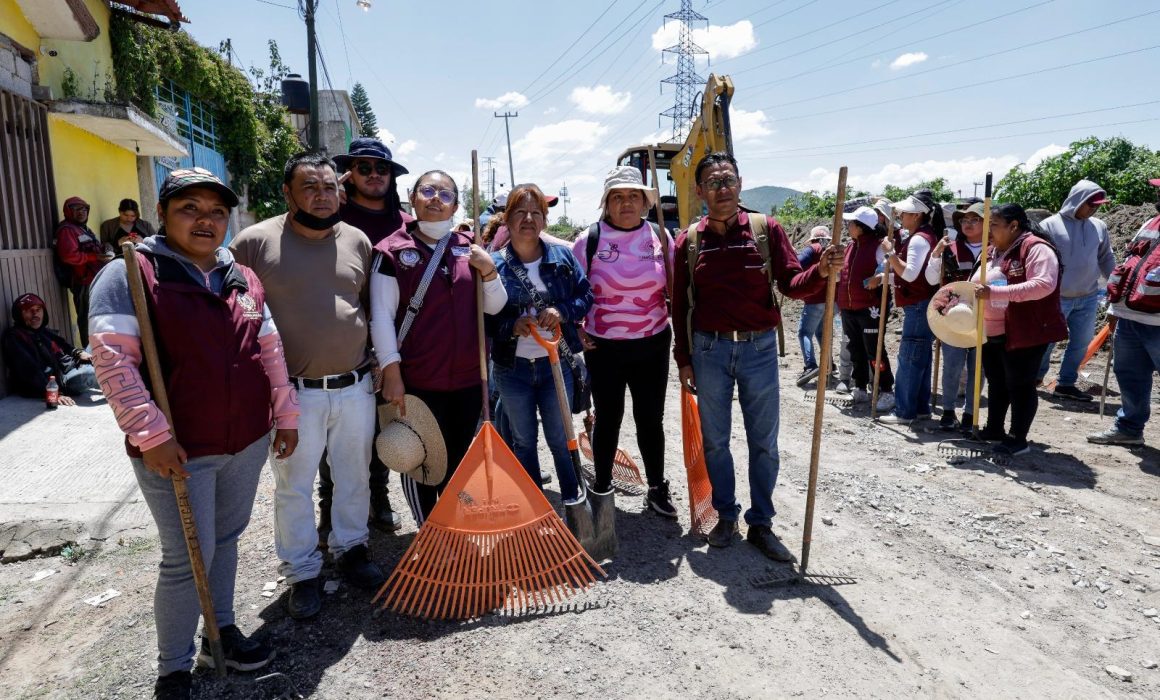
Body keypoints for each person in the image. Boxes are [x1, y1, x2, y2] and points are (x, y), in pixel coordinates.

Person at [86, 168, 299, 699]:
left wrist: (285, 413)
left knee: (224, 541)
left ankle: (219, 630)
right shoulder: (130, 273)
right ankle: (172, 668)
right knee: (186, 558)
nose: (206, 221)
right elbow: (114, 363)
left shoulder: (241, 276)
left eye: (217, 212)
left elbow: (268, 350)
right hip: (179, 447)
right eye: (190, 209)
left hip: (245, 439)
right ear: (163, 213)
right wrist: (149, 432)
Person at [230, 153, 383, 620]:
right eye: (310, 187)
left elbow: (363, 305)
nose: (322, 196)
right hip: (292, 395)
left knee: (354, 474)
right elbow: (234, 313)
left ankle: (352, 547)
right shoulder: (254, 243)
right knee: (293, 486)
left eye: (329, 187)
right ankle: (301, 571)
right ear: (288, 193)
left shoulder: (358, 241)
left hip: (355, 385)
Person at [672, 152, 840, 560]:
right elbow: (679, 305)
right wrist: (684, 359)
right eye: (712, 182)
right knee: (715, 441)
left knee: (764, 442)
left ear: (740, 183)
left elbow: (791, 283)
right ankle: (726, 515)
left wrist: (819, 272)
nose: (722, 188)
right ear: (699, 191)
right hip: (709, 350)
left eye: (728, 180)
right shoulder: (688, 242)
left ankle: (761, 522)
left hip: (760, 350)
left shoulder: (767, 229)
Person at [371, 170, 507, 524]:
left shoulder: (470, 247)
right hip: (417, 378)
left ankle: (452, 525)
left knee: (457, 457)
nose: (435, 199)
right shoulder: (392, 252)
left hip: (466, 379)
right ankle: (428, 530)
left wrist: (489, 271)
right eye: (427, 191)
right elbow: (382, 318)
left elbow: (494, 307)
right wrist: (391, 371)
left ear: (456, 205)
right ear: (412, 198)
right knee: (419, 457)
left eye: (445, 194)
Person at [318, 137, 412, 537]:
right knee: (334, 433)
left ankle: (379, 496)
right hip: (343, 341)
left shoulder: (406, 223)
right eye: (363, 167)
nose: (374, 175)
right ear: (349, 173)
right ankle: (328, 508)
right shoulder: (329, 219)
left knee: (384, 425)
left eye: (382, 168)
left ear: (391, 177)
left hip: (395, 339)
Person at [573, 166, 674, 516]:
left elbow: (675, 287)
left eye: (633, 195)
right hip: (604, 348)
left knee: (650, 418)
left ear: (645, 201)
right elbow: (571, 290)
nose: (626, 202)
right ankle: (602, 485)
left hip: (653, 343)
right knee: (608, 417)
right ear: (607, 203)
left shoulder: (660, 236)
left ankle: (657, 487)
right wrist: (577, 329)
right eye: (618, 196)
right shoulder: (590, 240)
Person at [487, 183, 592, 505]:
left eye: (536, 212)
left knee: (562, 440)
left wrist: (561, 311)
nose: (528, 219)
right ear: (506, 219)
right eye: (520, 212)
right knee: (523, 441)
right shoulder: (493, 265)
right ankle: (534, 506)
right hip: (511, 369)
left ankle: (573, 503)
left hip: (554, 366)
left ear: (545, 220)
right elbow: (483, 318)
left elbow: (585, 296)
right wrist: (510, 325)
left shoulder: (562, 257)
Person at [971, 203, 1066, 456]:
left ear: (1014, 226)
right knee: (998, 381)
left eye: (994, 225)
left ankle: (1018, 438)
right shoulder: (992, 251)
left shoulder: (1036, 249)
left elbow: (1043, 284)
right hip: (992, 331)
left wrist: (995, 292)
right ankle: (994, 429)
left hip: (1025, 330)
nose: (988, 230)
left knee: (1020, 384)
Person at [1088, 177, 1160, 447]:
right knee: (1130, 376)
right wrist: (1114, 308)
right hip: (1130, 317)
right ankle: (1129, 428)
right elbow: (1130, 263)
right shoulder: (1150, 224)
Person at [1036, 179, 1117, 401]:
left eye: (1099, 205)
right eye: (1091, 204)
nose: (1095, 208)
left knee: (1081, 342)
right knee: (1046, 341)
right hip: (1055, 297)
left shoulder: (1098, 226)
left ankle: (1066, 383)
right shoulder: (1049, 226)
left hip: (1088, 296)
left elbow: (1105, 257)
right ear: (1077, 200)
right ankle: (1035, 377)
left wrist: (1116, 284)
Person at [879, 193, 944, 425]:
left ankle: (905, 411)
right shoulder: (925, 236)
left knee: (909, 357)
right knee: (921, 356)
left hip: (918, 304)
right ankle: (920, 407)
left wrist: (890, 253)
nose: (900, 216)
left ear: (916, 215)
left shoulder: (918, 239)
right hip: (923, 303)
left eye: (904, 213)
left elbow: (909, 273)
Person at [927, 202, 986, 430]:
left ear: (985, 222)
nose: (967, 225)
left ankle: (970, 413)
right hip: (953, 317)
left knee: (977, 366)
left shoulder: (995, 250)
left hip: (983, 317)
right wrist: (935, 255)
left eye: (974, 220)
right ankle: (949, 411)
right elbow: (933, 280)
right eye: (964, 220)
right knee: (951, 364)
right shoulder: (949, 248)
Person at [837, 206, 895, 410]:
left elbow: (894, 272)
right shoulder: (851, 246)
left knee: (874, 350)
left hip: (870, 308)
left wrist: (879, 278)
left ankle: (886, 389)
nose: (848, 225)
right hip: (848, 307)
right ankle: (860, 387)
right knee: (855, 348)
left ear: (861, 227)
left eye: (851, 223)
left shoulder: (879, 248)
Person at [2, 292, 98, 403]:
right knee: (93, 372)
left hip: (72, 366)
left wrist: (78, 353)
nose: (35, 314)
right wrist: (53, 393)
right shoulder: (15, 337)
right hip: (61, 382)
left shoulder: (43, 331)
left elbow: (65, 345)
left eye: (38, 309)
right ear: (19, 315)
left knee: (100, 341)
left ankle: (111, 371)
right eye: (28, 310)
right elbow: (30, 371)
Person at [53, 196, 106, 341]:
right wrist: (95, 257)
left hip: (94, 279)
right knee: (88, 320)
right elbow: (69, 256)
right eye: (76, 209)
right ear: (68, 212)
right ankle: (90, 355)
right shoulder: (67, 230)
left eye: (84, 209)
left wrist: (104, 250)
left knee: (98, 318)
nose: (81, 212)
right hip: (83, 282)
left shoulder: (83, 229)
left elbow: (93, 248)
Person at [794, 225, 831, 387]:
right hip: (831, 299)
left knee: (804, 333)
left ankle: (811, 365)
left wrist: (792, 256)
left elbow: (797, 264)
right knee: (821, 333)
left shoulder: (813, 248)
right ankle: (828, 365)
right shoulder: (829, 250)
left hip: (815, 298)